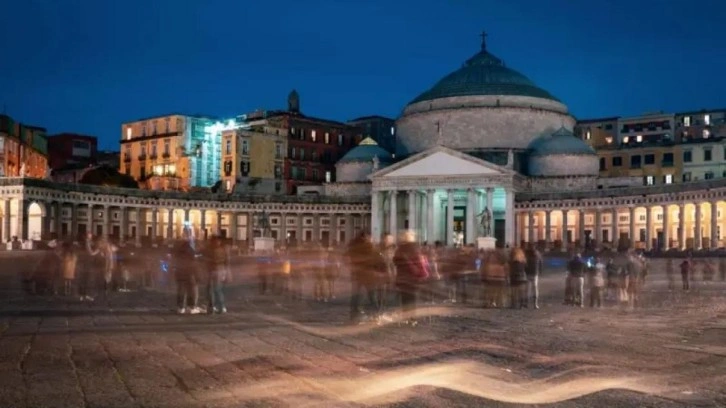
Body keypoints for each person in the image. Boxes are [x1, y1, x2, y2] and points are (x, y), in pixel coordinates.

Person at [347, 232, 385, 324]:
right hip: (369, 275)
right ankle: (376, 315)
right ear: (367, 238)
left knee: (356, 297)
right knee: (372, 296)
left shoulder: (354, 247)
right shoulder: (370, 247)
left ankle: (354, 316)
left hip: (357, 275)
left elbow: (347, 258)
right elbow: (380, 260)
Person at [393, 230, 428, 326]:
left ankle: (407, 317)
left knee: (405, 299)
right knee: (411, 299)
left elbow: (395, 262)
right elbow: (418, 262)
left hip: (403, 278)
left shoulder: (400, 249)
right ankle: (412, 318)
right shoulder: (414, 249)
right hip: (412, 278)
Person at [173, 229, 201, 314]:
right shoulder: (190, 246)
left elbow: (174, 256)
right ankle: (191, 307)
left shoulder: (177, 245)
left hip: (180, 270)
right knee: (192, 288)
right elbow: (193, 258)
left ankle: (180, 307)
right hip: (189, 270)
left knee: (181, 289)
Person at [204, 236, 228, 314]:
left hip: (214, 270)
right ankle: (219, 307)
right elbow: (226, 261)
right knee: (217, 289)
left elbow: (207, 259)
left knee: (213, 289)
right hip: (219, 270)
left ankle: (213, 307)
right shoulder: (223, 249)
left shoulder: (211, 250)